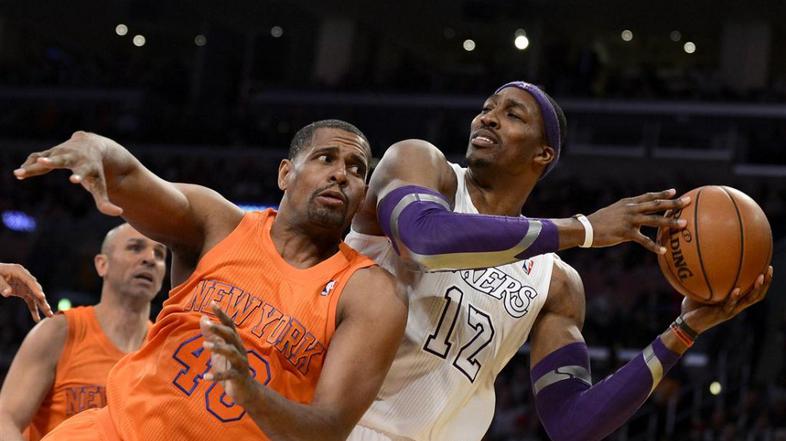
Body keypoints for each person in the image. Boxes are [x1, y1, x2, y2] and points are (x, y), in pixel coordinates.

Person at [342, 81, 773, 441]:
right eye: (487, 108)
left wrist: (684, 331)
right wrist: (585, 229)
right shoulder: (421, 164)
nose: (487, 117)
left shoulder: (555, 282)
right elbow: (425, 241)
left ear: (543, 154)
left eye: (513, 115)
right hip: (341, 426)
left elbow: (572, 425)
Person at [13, 119, 407, 441]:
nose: (341, 174)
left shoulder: (370, 293)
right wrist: (95, 149)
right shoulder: (217, 224)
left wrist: (249, 392)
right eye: (326, 158)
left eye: (357, 169)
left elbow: (329, 429)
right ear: (285, 174)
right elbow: (130, 174)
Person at [0, 224, 167, 441]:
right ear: (102, 265)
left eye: (160, 254)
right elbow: (6, 419)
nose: (150, 259)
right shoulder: (60, 331)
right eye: (135, 248)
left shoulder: (164, 349)